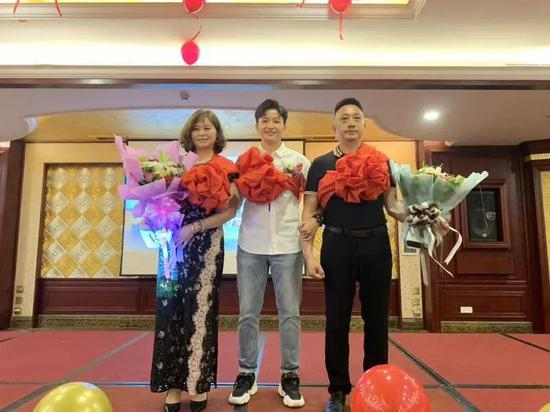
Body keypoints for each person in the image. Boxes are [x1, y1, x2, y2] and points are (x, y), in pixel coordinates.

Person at [300, 98, 407, 412]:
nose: (350, 122)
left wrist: (423, 213)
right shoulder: (320, 164)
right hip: (337, 246)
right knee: (336, 320)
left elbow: (394, 206)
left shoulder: (382, 161)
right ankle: (338, 390)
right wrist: (309, 257)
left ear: (363, 125)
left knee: (377, 320)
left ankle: (375, 387)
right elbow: (309, 213)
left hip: (376, 245)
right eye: (344, 118)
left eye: (356, 118)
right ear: (333, 127)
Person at [150, 109, 239, 412]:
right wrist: (158, 221)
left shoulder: (228, 167)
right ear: (190, 133)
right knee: (170, 311)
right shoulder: (175, 165)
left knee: (200, 311)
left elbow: (230, 212)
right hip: (172, 245)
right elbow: (159, 201)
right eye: (197, 128)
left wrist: (195, 227)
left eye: (208, 127)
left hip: (206, 243)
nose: (202, 133)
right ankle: (173, 385)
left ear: (217, 133)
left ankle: (197, 384)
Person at [228, 99, 310, 408]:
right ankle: (246, 373)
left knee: (290, 313)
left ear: (284, 125)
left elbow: (310, 204)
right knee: (248, 313)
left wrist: (309, 248)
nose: (270, 125)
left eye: (276, 120)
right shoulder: (244, 161)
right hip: (251, 244)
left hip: (288, 245)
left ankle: (289, 375)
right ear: (257, 125)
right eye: (265, 120)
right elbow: (233, 200)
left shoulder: (299, 162)